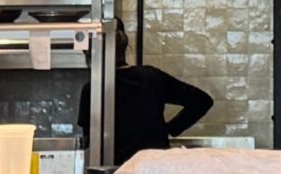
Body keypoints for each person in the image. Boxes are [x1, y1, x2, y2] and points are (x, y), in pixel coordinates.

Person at [80, 33, 214, 159]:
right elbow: (201, 101)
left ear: (91, 54)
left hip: (114, 168)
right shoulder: (151, 77)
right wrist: (170, 129)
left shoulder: (93, 88)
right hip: (154, 165)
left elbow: (88, 140)